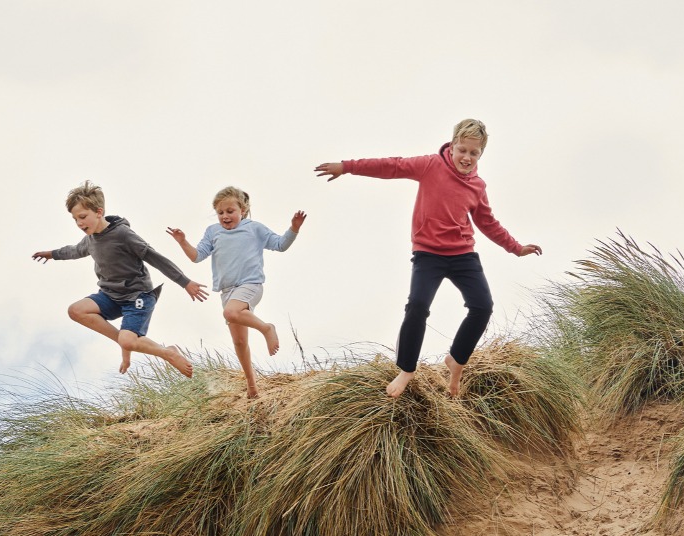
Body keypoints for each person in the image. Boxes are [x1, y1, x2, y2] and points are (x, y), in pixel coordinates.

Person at [314, 119, 542, 398]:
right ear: (453, 145)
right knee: (418, 306)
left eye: (474, 153)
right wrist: (348, 167)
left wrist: (516, 248)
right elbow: (392, 166)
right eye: (462, 150)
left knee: (482, 307)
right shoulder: (430, 165)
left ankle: (455, 361)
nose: (467, 158)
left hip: (463, 255)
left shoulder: (477, 186)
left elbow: (487, 222)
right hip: (428, 254)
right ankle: (407, 369)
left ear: (480, 154)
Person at [32, 180, 209, 378]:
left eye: (83, 217)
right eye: (75, 219)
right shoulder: (90, 240)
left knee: (128, 340)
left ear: (99, 212)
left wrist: (185, 282)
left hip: (138, 296)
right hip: (110, 295)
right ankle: (126, 342)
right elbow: (73, 251)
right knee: (76, 310)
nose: (79, 223)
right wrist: (52, 254)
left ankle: (168, 352)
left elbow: (154, 257)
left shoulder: (123, 234)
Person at [167, 186, 306, 398]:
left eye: (230, 211)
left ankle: (267, 328)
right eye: (220, 212)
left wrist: (293, 228)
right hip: (227, 291)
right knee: (239, 342)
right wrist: (182, 241)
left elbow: (280, 244)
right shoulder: (213, 232)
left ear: (242, 209)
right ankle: (252, 387)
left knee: (231, 313)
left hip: (250, 285)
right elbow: (196, 256)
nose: (225, 216)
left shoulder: (255, 228)